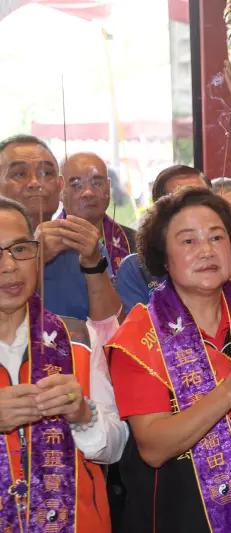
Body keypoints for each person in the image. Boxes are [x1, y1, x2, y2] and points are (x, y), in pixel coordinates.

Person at [106, 187, 231, 532]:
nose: (206, 250)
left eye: (217, 237)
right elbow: (154, 448)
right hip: (177, 515)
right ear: (163, 257)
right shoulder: (139, 334)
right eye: (188, 241)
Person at [0, 196, 127, 532]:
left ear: (37, 255)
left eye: (20, 249)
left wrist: (84, 416)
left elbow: (115, 446)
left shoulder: (76, 337)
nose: (9, 265)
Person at [0, 136, 123, 324]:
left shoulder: (79, 241)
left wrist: (93, 263)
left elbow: (112, 331)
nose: (35, 183)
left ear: (60, 186)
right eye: (20, 174)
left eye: (46, 173)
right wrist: (36, 259)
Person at [115, 165, 231, 313]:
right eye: (188, 241)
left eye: (201, 200)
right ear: (159, 215)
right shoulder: (136, 269)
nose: (206, 251)